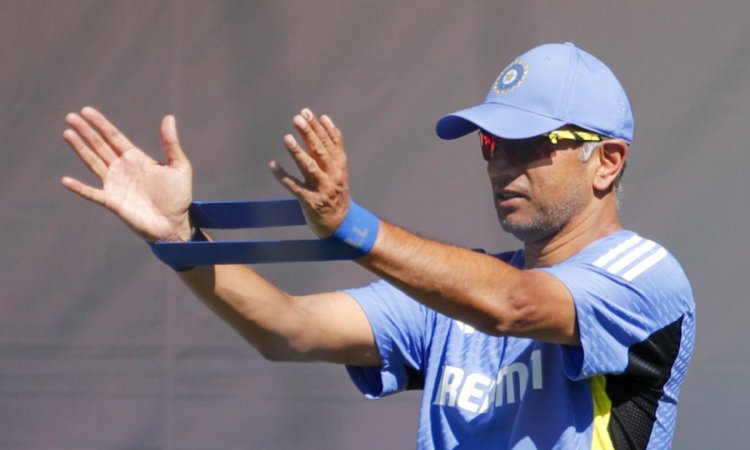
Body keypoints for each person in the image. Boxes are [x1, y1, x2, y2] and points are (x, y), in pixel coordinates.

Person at [61, 42, 695, 449]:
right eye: (490, 146)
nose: (501, 166)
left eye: (530, 145)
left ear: (607, 161)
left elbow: (515, 306)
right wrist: (182, 239)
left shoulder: (643, 275)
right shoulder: (458, 294)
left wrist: (351, 227)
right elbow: (289, 330)